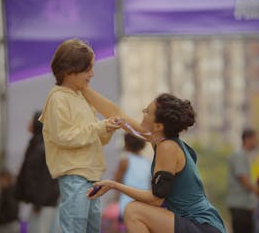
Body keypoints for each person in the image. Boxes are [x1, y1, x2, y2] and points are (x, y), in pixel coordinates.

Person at [82, 86, 226, 233]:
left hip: (201, 226)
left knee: (134, 211)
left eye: (147, 111)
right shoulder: (159, 139)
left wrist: (114, 185)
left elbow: (156, 199)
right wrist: (82, 88)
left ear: (158, 126)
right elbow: (117, 114)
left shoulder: (167, 147)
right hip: (187, 221)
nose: (143, 112)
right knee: (138, 210)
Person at [39, 39, 120, 233]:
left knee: (92, 228)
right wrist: (100, 127)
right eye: (87, 69)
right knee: (75, 228)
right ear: (69, 71)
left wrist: (107, 129)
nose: (91, 74)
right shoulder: (58, 98)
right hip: (75, 175)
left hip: (92, 176)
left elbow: (94, 136)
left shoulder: (82, 97)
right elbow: (64, 136)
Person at [15, 111, 60, 233]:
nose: (28, 124)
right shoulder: (38, 144)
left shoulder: (41, 147)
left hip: (43, 204)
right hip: (41, 203)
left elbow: (45, 179)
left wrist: (37, 203)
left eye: (31, 121)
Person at [227, 128, 259, 233]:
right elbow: (243, 178)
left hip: (244, 206)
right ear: (247, 139)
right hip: (239, 206)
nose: (257, 141)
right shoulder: (239, 155)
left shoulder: (244, 155)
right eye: (255, 138)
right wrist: (258, 191)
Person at [115, 133, 151, 222]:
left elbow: (116, 182)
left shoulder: (125, 161)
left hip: (126, 203)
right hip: (143, 204)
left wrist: (115, 200)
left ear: (127, 144)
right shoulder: (147, 162)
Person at [0, 169, 19, 233]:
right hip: (7, 224)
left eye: (1, 179)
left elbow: (11, 209)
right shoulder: (6, 192)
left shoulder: (8, 193)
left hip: (6, 225)